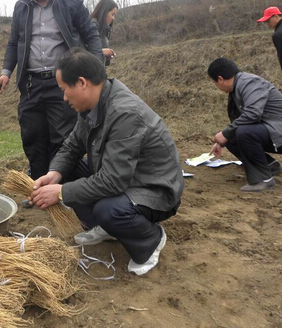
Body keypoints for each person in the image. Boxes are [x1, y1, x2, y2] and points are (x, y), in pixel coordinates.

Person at [30, 48, 183, 275]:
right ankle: (109, 229)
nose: (63, 98)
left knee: (108, 209)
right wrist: (55, 173)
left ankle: (151, 239)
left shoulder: (124, 113)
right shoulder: (92, 106)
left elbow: (112, 181)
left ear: (82, 83)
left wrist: (61, 192)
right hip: (127, 179)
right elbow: (71, 147)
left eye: (64, 90)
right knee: (67, 171)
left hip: (156, 189)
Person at [0, 0, 103, 207]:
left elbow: (91, 34)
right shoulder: (22, 7)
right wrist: (5, 72)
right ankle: (36, 191)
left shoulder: (70, 4)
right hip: (30, 82)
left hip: (61, 81)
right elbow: (14, 42)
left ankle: (61, 193)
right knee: (32, 136)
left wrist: (96, 67)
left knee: (62, 137)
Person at [208, 58, 282, 192]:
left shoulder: (250, 83)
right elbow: (238, 122)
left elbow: (253, 113)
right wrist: (223, 139)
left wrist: (225, 134)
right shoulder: (238, 86)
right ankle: (270, 165)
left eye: (215, 82)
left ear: (220, 79)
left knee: (242, 132)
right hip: (273, 131)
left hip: (278, 131)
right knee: (231, 134)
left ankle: (263, 179)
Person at [91, 0, 118, 66]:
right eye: (112, 14)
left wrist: (107, 57)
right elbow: (84, 52)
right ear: (104, 12)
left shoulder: (103, 30)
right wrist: (101, 52)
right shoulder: (92, 27)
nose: (113, 18)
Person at [257, 6, 282, 71]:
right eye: (265, 22)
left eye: (268, 21)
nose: (267, 24)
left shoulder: (278, 35)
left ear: (276, 16)